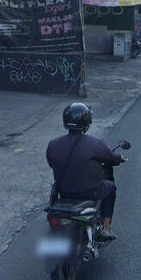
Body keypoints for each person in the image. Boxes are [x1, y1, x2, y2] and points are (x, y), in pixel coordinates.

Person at [46, 103, 123, 242]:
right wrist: (120, 158)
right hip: (90, 193)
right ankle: (106, 228)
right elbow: (112, 159)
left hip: (64, 192)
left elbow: (52, 163)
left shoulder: (53, 144)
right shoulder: (96, 144)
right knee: (110, 188)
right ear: (87, 123)